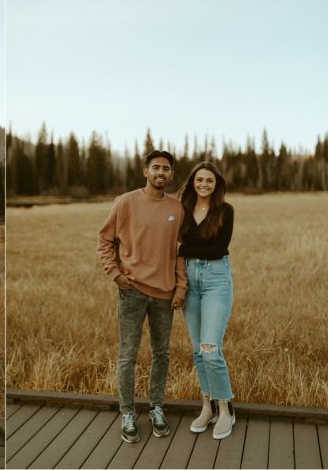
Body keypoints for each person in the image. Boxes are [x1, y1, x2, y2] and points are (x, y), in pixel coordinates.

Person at [97, 149, 187, 444]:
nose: (161, 173)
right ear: (145, 171)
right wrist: (116, 275)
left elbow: (180, 253)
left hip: (164, 295)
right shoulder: (126, 203)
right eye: (155, 168)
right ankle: (127, 413)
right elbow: (105, 241)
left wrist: (180, 287)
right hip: (132, 292)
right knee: (128, 355)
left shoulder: (177, 208)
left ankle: (157, 408)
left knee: (162, 354)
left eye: (166, 169)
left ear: (171, 174)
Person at [176, 162, 236, 439]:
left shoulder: (225, 211)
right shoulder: (182, 210)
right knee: (199, 351)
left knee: (211, 348)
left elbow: (218, 249)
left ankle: (226, 409)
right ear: (192, 183)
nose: (203, 184)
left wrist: (182, 249)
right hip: (189, 281)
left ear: (216, 184)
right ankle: (207, 406)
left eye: (209, 181)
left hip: (215, 280)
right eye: (199, 180)